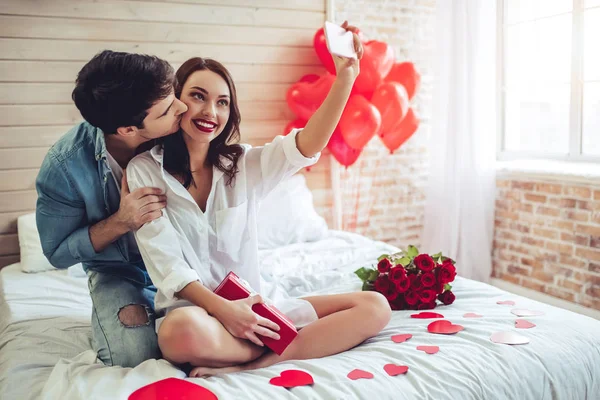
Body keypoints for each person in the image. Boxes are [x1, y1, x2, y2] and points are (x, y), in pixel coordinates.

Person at [126, 21, 392, 377]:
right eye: (198, 96)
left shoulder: (243, 163)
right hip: (197, 315)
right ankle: (279, 347)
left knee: (376, 306)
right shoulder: (144, 170)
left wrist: (346, 76)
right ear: (177, 102)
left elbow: (306, 146)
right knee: (177, 334)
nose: (211, 112)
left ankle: (260, 361)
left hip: (256, 310)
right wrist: (225, 312)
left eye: (223, 102)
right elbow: (168, 265)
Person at [35, 50, 188, 368]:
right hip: (121, 271)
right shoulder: (64, 167)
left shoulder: (182, 130)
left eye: (174, 95)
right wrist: (121, 221)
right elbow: (57, 254)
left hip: (188, 257)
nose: (183, 107)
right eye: (168, 109)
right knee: (135, 356)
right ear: (128, 130)